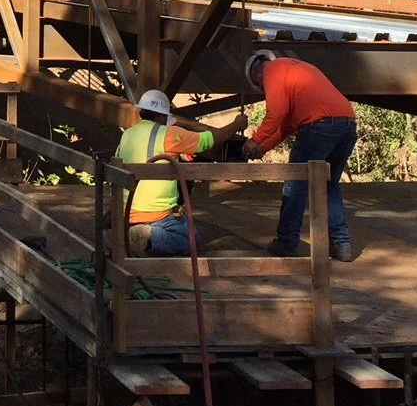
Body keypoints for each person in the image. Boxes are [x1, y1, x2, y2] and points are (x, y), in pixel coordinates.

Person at [240, 51, 359, 262]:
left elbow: (275, 113)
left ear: (257, 74)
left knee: (296, 183)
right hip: (346, 123)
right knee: (328, 183)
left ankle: (287, 242)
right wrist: (263, 146)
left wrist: (254, 140)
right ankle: (342, 246)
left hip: (320, 124)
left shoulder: (272, 70)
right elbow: (285, 126)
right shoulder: (293, 71)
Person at [115, 89, 244, 256]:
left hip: (127, 211)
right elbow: (207, 140)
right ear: (162, 116)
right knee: (193, 241)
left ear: (141, 112)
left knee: (186, 227)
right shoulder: (168, 134)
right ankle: (150, 237)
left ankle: (137, 233)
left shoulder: (127, 134)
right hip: (157, 214)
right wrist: (237, 124)